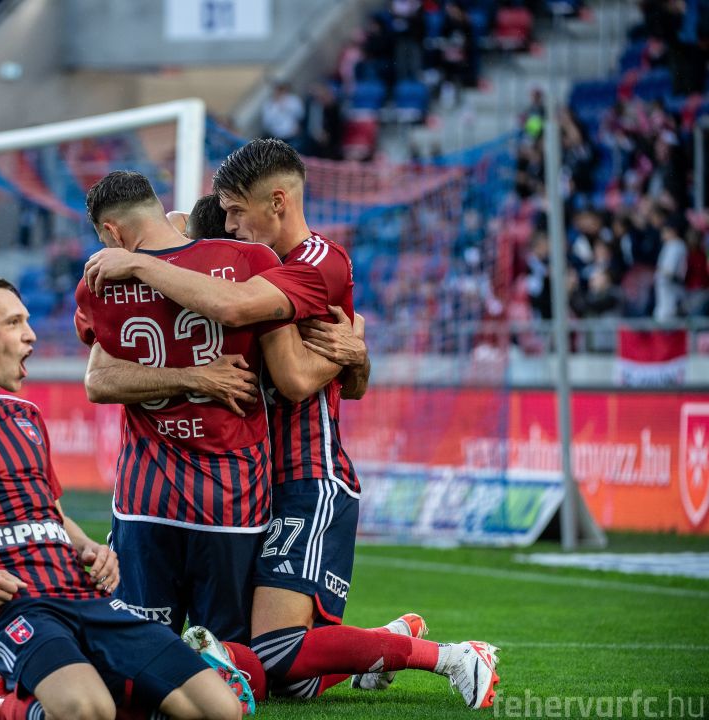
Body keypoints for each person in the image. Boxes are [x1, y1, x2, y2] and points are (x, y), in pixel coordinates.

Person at [84, 139, 500, 710]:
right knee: (282, 672)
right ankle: (384, 642)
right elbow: (178, 235)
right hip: (251, 483)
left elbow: (294, 374)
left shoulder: (313, 263)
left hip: (308, 474)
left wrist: (139, 262)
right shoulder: (235, 254)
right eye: (225, 214)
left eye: (237, 212)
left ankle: (454, 656)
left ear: (276, 202)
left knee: (275, 653)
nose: (230, 225)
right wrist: (354, 357)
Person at [0, 278, 252, 720]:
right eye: (14, 323)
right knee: (88, 710)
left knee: (221, 710)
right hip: (17, 604)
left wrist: (89, 547)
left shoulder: (27, 416)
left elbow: (51, 513)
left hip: (84, 594)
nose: (31, 335)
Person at [75, 171, 350, 649]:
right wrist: (353, 348)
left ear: (113, 233)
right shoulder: (250, 260)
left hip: (148, 494)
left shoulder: (99, 280)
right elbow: (291, 374)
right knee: (238, 658)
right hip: (231, 495)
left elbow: (99, 379)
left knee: (137, 653)